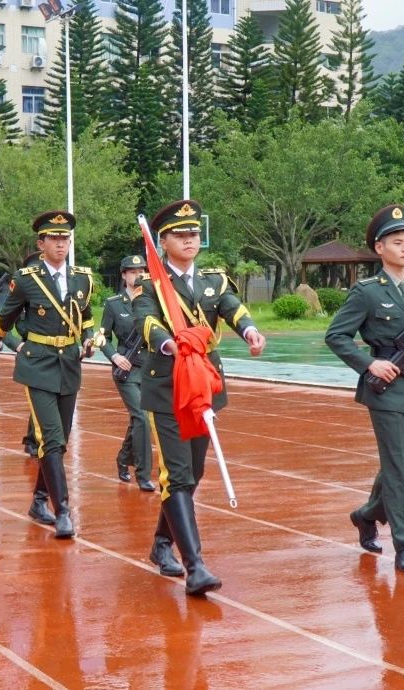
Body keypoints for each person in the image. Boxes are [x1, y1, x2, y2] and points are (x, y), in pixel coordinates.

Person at [133, 199, 265, 596]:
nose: (189, 240)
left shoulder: (214, 281)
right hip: (167, 387)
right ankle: (196, 566)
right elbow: (146, 321)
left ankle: (162, 543)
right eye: (180, 235)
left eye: (193, 233)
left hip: (203, 386)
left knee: (192, 473)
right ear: (163, 241)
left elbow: (233, 309)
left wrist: (250, 331)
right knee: (177, 475)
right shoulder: (151, 285)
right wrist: (169, 343)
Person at [325, 204, 404, 574]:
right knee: (397, 467)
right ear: (379, 248)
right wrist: (369, 364)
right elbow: (336, 336)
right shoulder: (367, 292)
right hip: (384, 388)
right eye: (397, 242)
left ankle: (367, 515)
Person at [0, 211, 98, 539]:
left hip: (69, 364)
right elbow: (4, 320)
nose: (61, 244)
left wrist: (89, 339)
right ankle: (62, 510)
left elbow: (86, 317)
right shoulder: (27, 279)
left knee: (59, 440)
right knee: (51, 437)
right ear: (41, 244)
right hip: (37, 365)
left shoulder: (82, 278)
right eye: (54, 239)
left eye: (65, 239)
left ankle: (39, 500)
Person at [100, 255, 156, 492]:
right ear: (124, 275)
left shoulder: (152, 300)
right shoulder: (114, 304)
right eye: (133, 272)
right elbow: (102, 337)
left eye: (141, 271)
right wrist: (114, 356)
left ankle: (123, 459)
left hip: (150, 367)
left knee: (138, 419)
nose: (138, 275)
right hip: (126, 369)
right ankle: (143, 474)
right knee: (142, 417)